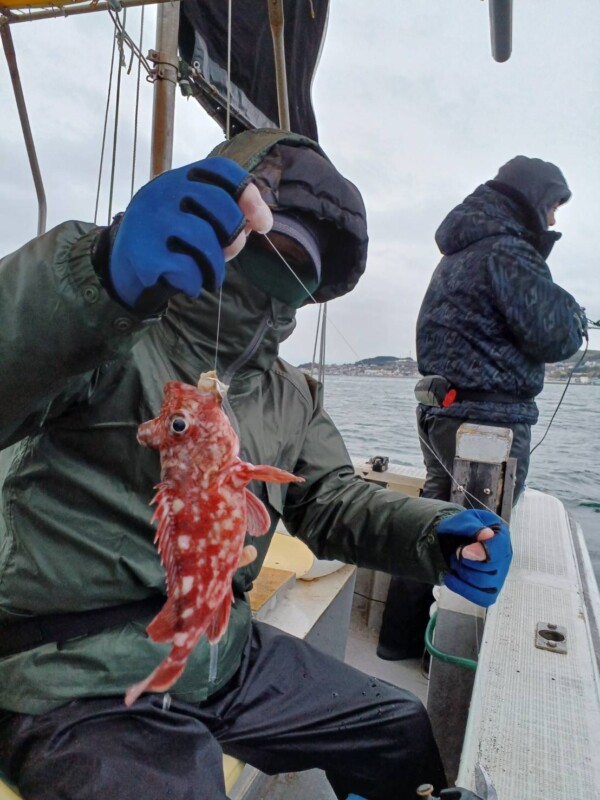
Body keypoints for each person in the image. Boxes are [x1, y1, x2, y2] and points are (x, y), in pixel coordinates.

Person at [0, 129, 511, 800]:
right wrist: (95, 276)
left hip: (221, 653)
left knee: (395, 726)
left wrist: (427, 531)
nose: (287, 263)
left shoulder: (289, 392)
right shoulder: (108, 325)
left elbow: (328, 500)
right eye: (274, 237)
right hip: (75, 676)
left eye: (308, 259)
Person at [378, 155, 586, 662]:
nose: (555, 220)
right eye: (553, 207)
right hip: (486, 424)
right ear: (534, 200)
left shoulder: (462, 249)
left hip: (441, 413)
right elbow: (554, 334)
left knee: (434, 522)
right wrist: (575, 313)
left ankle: (395, 643)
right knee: (479, 538)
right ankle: (444, 665)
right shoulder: (508, 251)